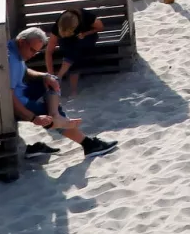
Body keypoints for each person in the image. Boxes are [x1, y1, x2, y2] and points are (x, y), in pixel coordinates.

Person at [9, 28, 118, 159]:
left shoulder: (14, 49)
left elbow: (24, 71)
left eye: (36, 52)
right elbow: (9, 98)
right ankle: (88, 144)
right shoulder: (10, 60)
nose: (33, 55)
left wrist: (45, 76)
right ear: (22, 42)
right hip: (16, 103)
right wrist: (34, 118)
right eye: (32, 50)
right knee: (48, 115)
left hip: (22, 91)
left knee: (52, 80)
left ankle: (57, 116)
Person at [43, 6, 104, 99]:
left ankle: (60, 77)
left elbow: (100, 27)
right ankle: (68, 86)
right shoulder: (58, 25)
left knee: (77, 48)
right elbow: (49, 51)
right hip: (70, 43)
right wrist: (50, 74)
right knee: (73, 51)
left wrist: (84, 34)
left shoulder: (86, 16)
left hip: (87, 36)